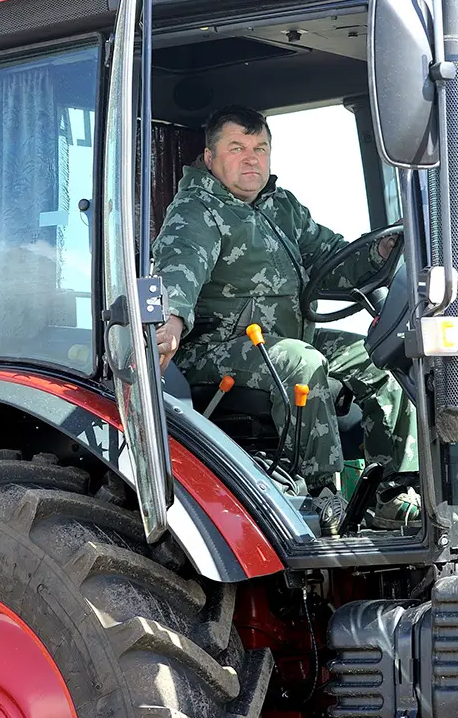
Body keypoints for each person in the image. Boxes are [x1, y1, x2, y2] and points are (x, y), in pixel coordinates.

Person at [151, 105, 418, 528]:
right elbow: (178, 268)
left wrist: (377, 252)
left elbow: (332, 259)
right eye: (237, 148)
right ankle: (319, 497)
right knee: (301, 361)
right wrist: (173, 320)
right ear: (210, 157)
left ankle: (392, 491)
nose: (251, 158)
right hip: (212, 349)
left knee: (380, 353)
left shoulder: (282, 208)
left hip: (285, 339)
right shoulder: (196, 211)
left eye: (260, 148)